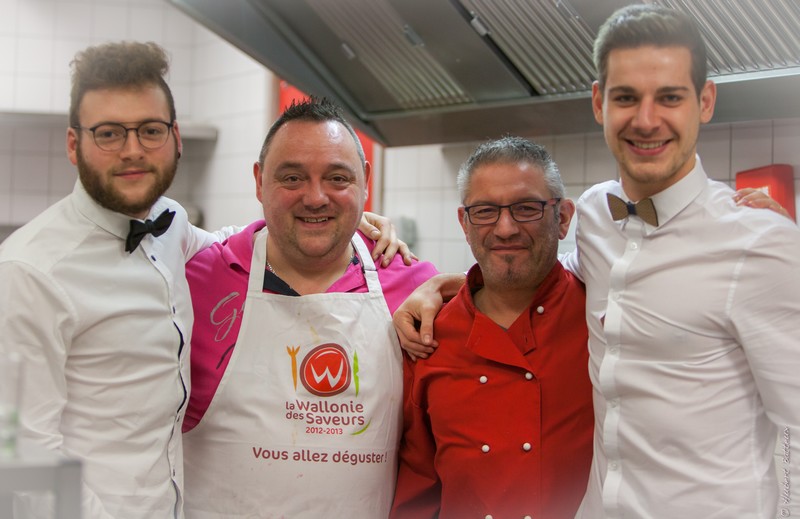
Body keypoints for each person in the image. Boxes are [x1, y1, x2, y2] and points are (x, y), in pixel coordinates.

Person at [395, 5, 800, 518]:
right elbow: (532, 263)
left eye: (670, 97)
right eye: (626, 97)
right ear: (598, 103)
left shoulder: (759, 243)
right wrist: (439, 286)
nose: (646, 120)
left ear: (704, 102)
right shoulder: (596, 215)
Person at [0, 42, 409, 519]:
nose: (132, 150)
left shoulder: (169, 224)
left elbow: (240, 241)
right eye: (109, 133)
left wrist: (344, 219)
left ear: (175, 138)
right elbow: (20, 459)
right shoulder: (30, 271)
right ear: (74, 144)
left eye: (150, 130)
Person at [180, 97, 439, 518]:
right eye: (292, 178)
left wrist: (452, 284)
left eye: (337, 178)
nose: (315, 198)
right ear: (259, 181)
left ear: (365, 181)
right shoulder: (196, 280)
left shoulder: (416, 287)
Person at [390, 137, 593, 518]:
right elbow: (417, 489)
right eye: (484, 211)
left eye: (526, 208)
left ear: (563, 217)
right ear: (464, 224)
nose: (505, 229)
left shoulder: (601, 318)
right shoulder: (429, 336)